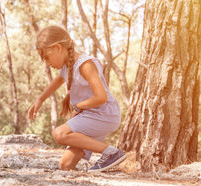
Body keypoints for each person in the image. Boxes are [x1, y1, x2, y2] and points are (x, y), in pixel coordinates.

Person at [27, 25, 126, 172]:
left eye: (47, 57)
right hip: (90, 115)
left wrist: (79, 107)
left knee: (59, 133)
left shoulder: (86, 65)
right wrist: (40, 99)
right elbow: (58, 81)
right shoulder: (67, 66)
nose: (47, 63)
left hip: (104, 114)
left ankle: (112, 153)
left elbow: (101, 97)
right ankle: (104, 160)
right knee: (65, 165)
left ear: (58, 48)